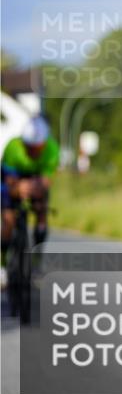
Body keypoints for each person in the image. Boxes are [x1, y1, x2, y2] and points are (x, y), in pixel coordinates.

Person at [2, 116, 59, 286]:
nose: (33, 152)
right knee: (8, 219)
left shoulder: (51, 149)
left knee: (42, 210)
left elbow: (46, 181)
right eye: (29, 147)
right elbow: (9, 182)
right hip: (13, 180)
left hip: (37, 180)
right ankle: (2, 265)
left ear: (44, 143)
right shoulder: (13, 147)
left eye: (37, 148)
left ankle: (36, 263)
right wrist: (18, 189)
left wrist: (35, 189)